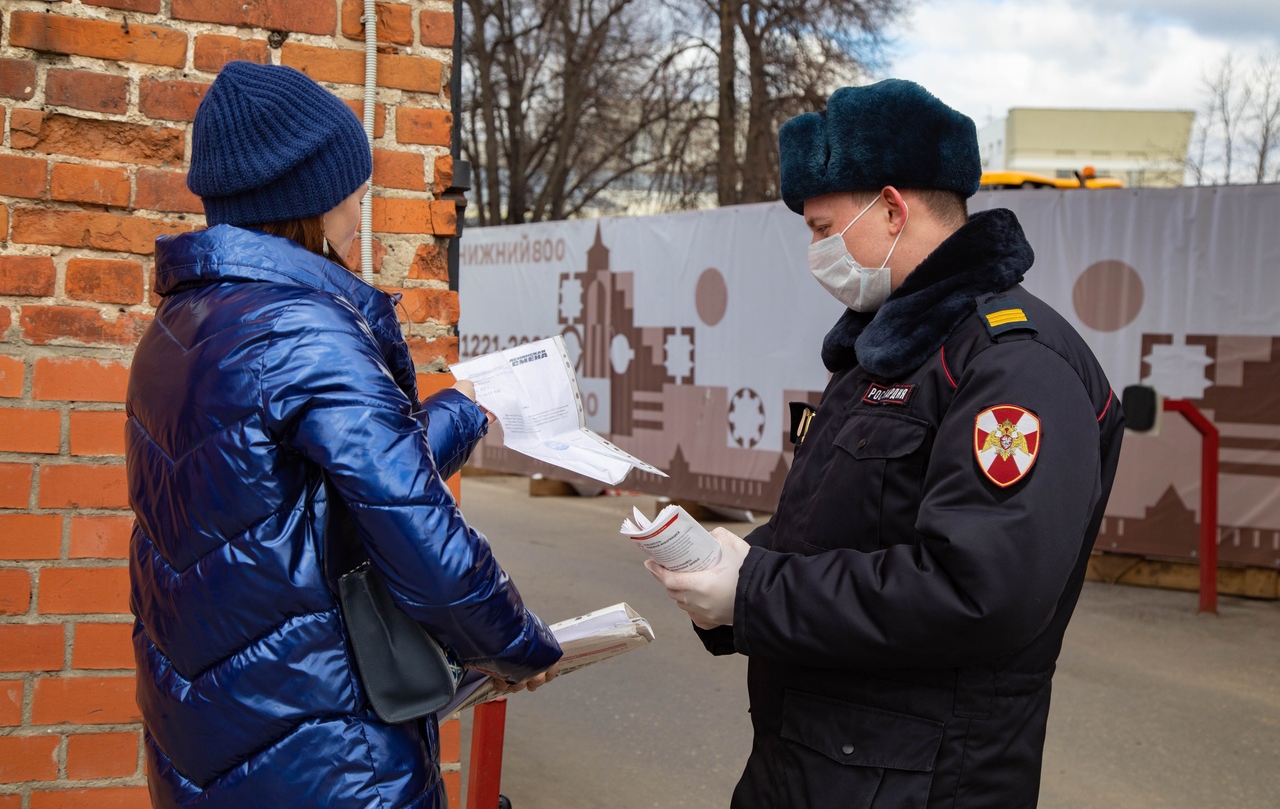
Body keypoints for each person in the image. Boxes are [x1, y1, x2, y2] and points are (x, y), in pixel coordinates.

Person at [646, 79, 1124, 808]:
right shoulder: (889, 351)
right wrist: (738, 560)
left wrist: (755, 592)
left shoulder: (1015, 366)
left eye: (821, 227)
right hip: (811, 761)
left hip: (921, 782)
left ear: (893, 209)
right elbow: (852, 526)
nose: (815, 251)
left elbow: (977, 592)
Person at [126, 61, 561, 808]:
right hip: (330, 757)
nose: (360, 215)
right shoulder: (305, 329)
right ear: (310, 202)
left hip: (213, 741)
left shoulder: (177, 330)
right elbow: (419, 533)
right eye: (355, 196)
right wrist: (515, 642)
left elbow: (320, 491)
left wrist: (463, 408)